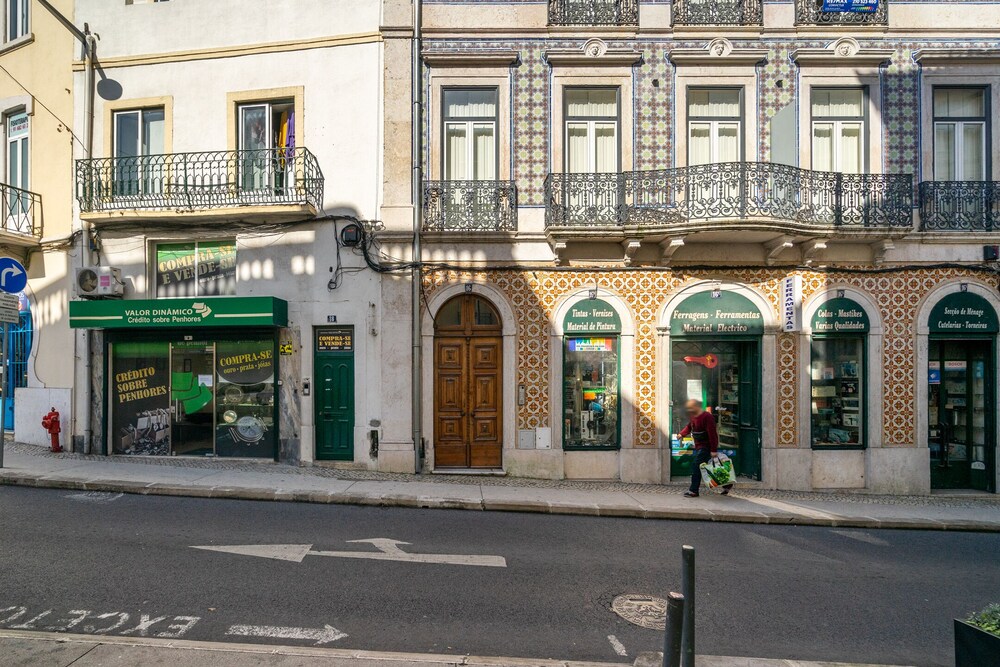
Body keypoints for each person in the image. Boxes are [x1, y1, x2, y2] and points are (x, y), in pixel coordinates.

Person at [679, 399, 731, 497]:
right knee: (713, 467)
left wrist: (713, 450)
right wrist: (681, 434)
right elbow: (689, 427)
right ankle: (727, 484)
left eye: (691, 408)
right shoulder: (693, 416)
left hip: (706, 447)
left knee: (696, 466)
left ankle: (693, 490)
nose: (689, 410)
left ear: (696, 407)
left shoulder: (707, 417)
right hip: (699, 447)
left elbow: (712, 434)